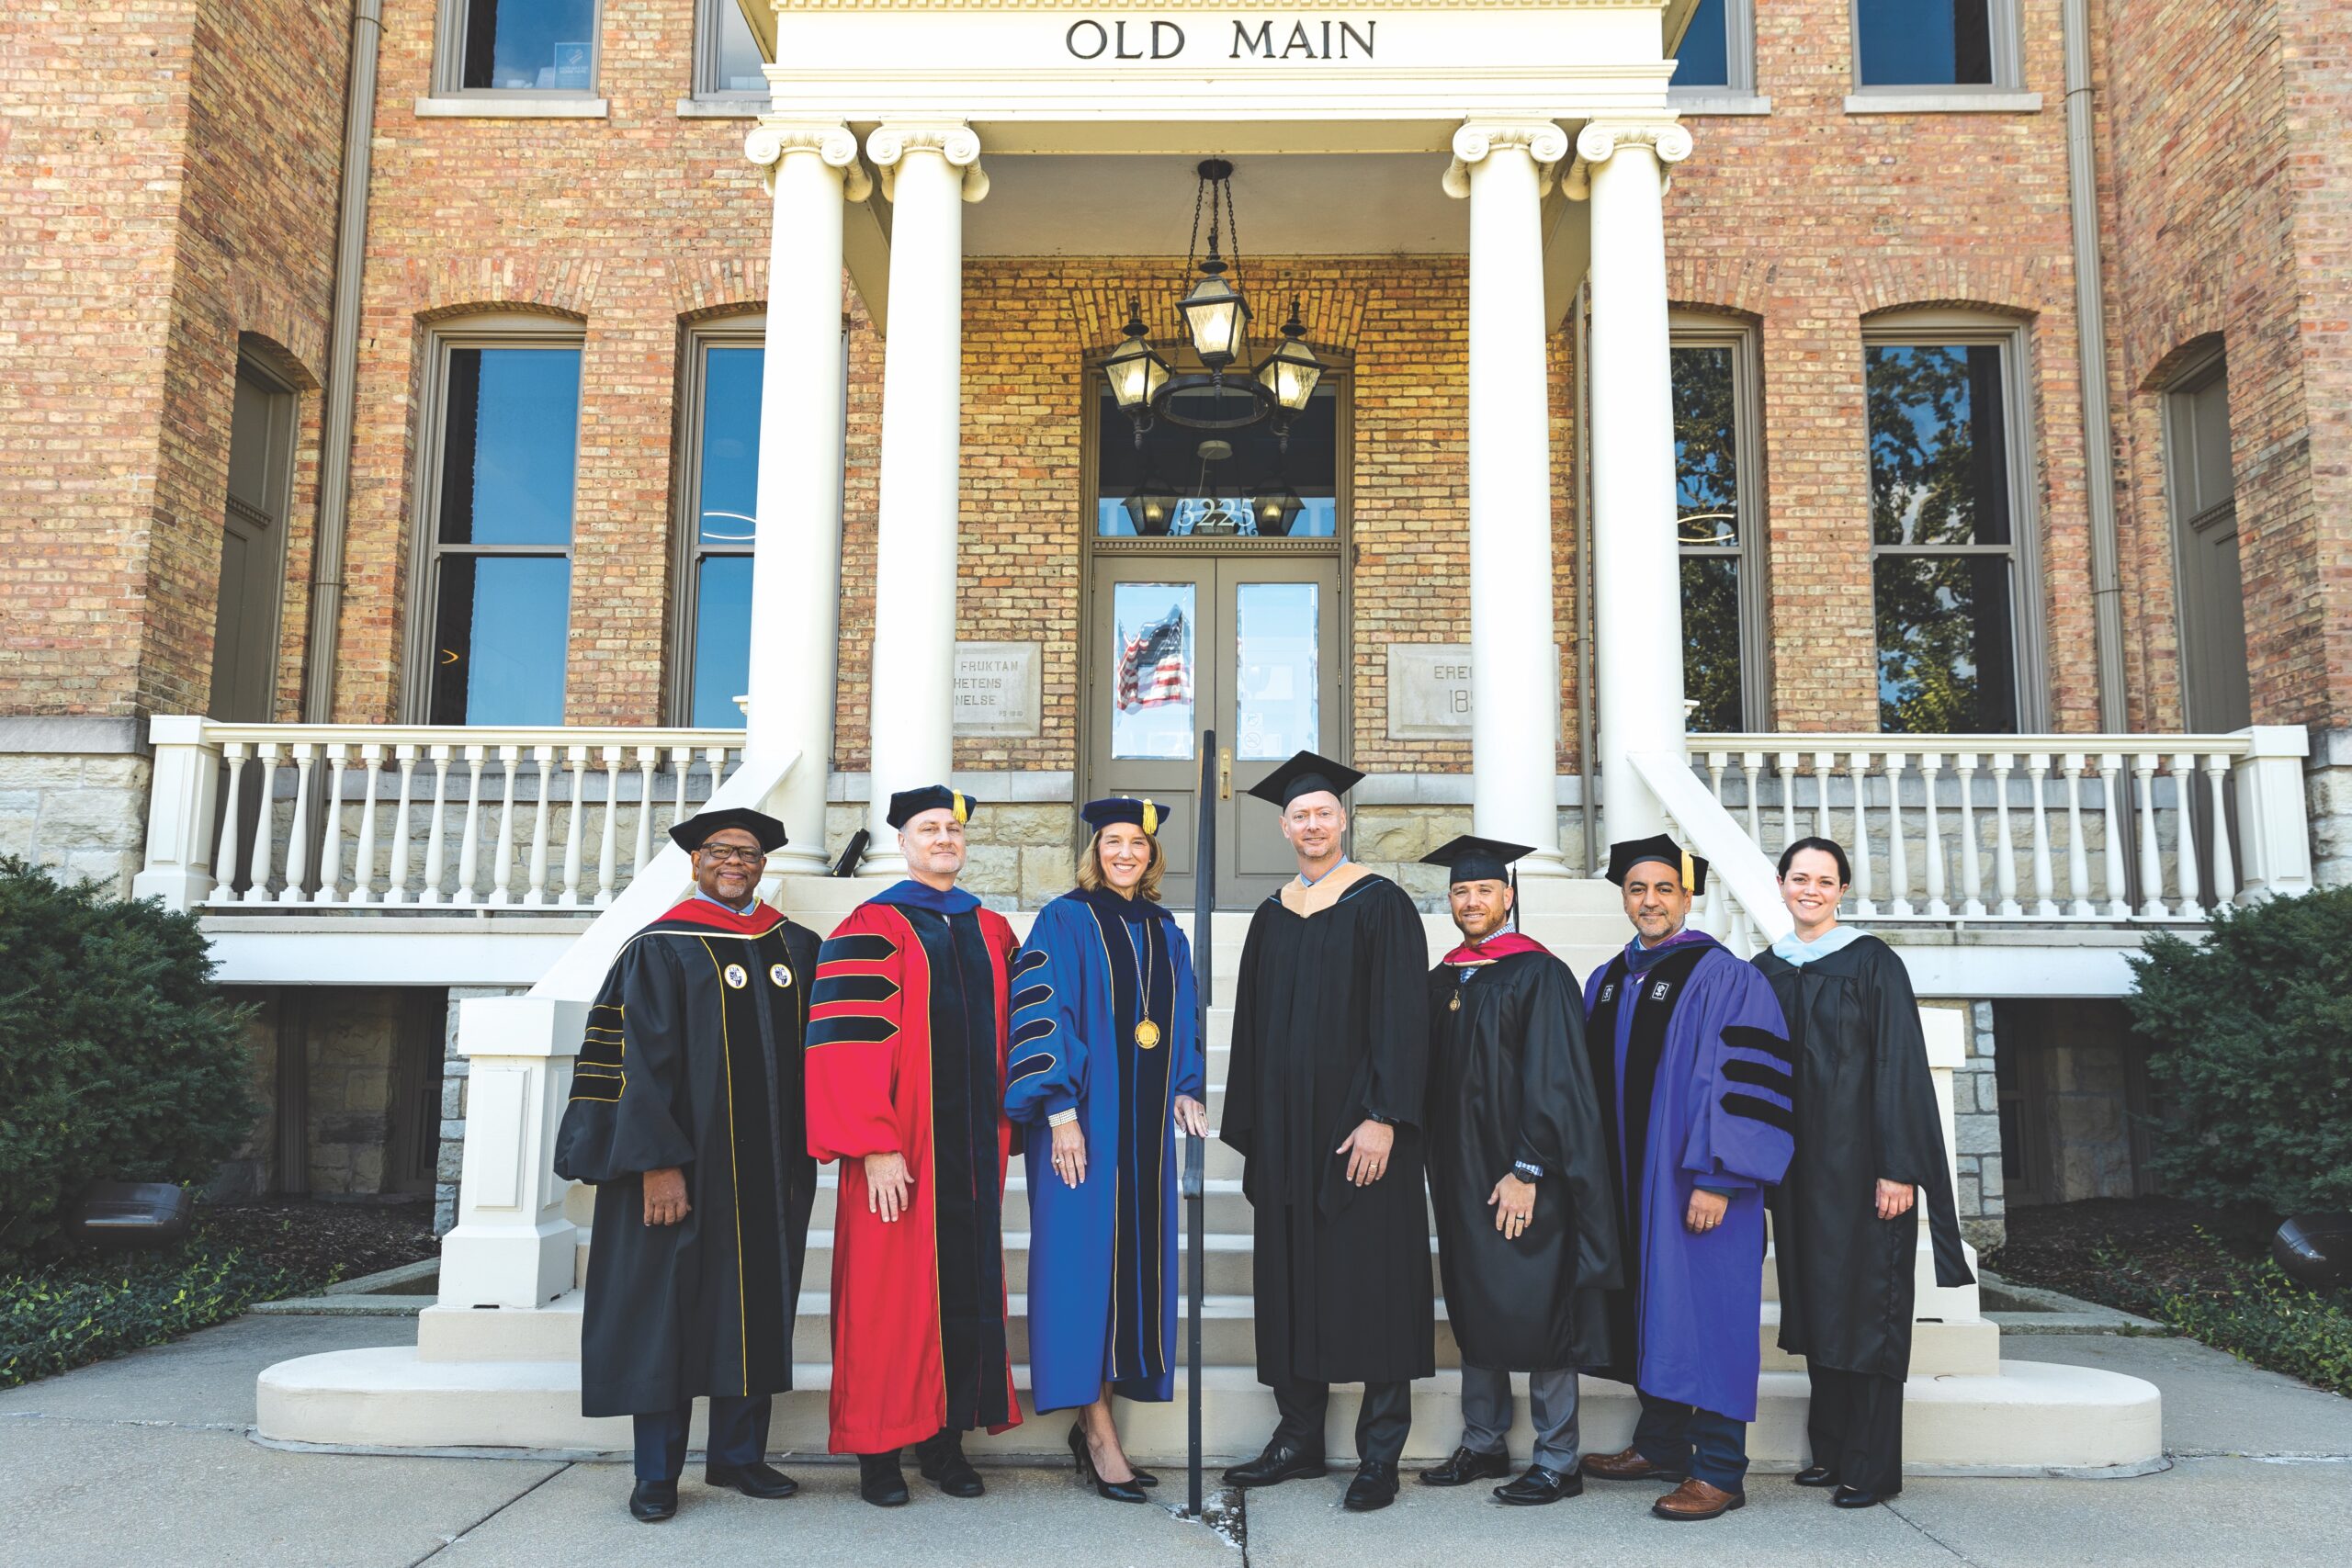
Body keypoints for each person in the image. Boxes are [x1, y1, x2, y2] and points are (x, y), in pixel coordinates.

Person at [552, 806, 820, 1524]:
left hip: (770, 1172)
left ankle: (738, 1457)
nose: (735, 861)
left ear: (765, 866)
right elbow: (629, 1063)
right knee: (664, 1315)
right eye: (719, 850)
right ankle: (657, 1473)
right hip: (679, 1173)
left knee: (758, 1303)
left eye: (749, 853)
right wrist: (655, 1164)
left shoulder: (797, 946)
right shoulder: (659, 946)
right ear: (694, 860)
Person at [1219, 750, 1433, 1514]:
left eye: (1323, 813)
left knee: (1374, 1282)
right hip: (1285, 1137)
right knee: (1291, 1283)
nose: (1312, 824)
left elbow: (1404, 1022)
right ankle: (1299, 1436)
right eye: (1299, 816)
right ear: (1284, 828)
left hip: (1358, 1134)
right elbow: (1248, 1031)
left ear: (1343, 820)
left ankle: (1380, 1452)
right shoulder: (1273, 916)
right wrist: (1253, 1129)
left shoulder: (1381, 904)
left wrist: (1384, 1117)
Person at [803, 785, 1022, 1506]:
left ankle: (944, 1442)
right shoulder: (872, 924)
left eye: (954, 828)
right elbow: (845, 1042)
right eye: (929, 828)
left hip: (970, 1155)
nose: (944, 838)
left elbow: (1019, 1033)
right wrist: (872, 1143)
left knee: (962, 1296)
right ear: (903, 841)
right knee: (884, 1300)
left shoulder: (990, 929)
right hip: (900, 1153)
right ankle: (877, 1453)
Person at [1576, 834, 1794, 1522]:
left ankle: (1721, 1469)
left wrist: (1719, 1178)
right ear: (1625, 897)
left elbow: (1746, 1084)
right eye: (1637, 889)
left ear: (1687, 895)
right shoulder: (1608, 979)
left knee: (1710, 1315)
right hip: (1630, 1184)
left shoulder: (1724, 975)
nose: (1650, 900)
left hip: (1698, 1186)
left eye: (1664, 888)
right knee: (1655, 1308)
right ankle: (1662, 1443)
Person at [1756, 836, 1973, 1510]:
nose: (1811, 888)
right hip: (1799, 1175)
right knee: (1821, 1305)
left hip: (1865, 1171)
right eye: (1799, 877)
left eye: (1824, 878)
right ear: (1783, 884)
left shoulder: (1872, 962)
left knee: (1869, 1311)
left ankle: (1873, 1467)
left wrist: (1899, 1167)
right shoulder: (1767, 967)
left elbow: (1899, 1067)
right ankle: (1832, 1452)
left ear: (1842, 889)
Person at [1005, 796, 1210, 1503]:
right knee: (1084, 1267)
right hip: (1082, 1127)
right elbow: (1040, 1008)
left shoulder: (1164, 929)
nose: (1126, 852)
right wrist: (1059, 1110)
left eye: (1138, 844)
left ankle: (1102, 1421)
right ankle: (1097, 1435)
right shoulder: (1064, 917)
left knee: (1131, 1271)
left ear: (1153, 856)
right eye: (1114, 841)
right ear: (1096, 850)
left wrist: (1187, 1085)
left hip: (1146, 1131)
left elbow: (1182, 1013)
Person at [1417, 835, 1620, 1507]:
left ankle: (1559, 1458)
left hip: (1526, 1173)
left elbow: (1558, 1079)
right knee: (1476, 1301)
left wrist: (1528, 1168)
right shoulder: (1443, 975)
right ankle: (1483, 1440)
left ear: (1508, 897)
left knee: (1541, 1305)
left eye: (1483, 890)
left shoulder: (1539, 973)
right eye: (1460, 891)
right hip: (1458, 1171)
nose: (1471, 900)